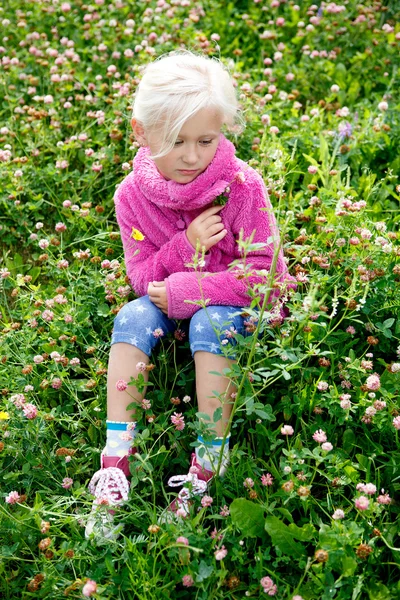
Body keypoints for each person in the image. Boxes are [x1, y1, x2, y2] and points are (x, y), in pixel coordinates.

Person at [85, 51, 293, 536]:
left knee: (208, 321)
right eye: (177, 141)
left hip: (228, 305)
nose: (193, 156)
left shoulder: (241, 186)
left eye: (206, 139)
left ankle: (208, 458)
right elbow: (141, 278)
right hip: (164, 298)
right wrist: (185, 247)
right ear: (141, 132)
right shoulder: (130, 196)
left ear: (223, 130)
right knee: (131, 318)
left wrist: (193, 291)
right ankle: (116, 457)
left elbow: (271, 276)